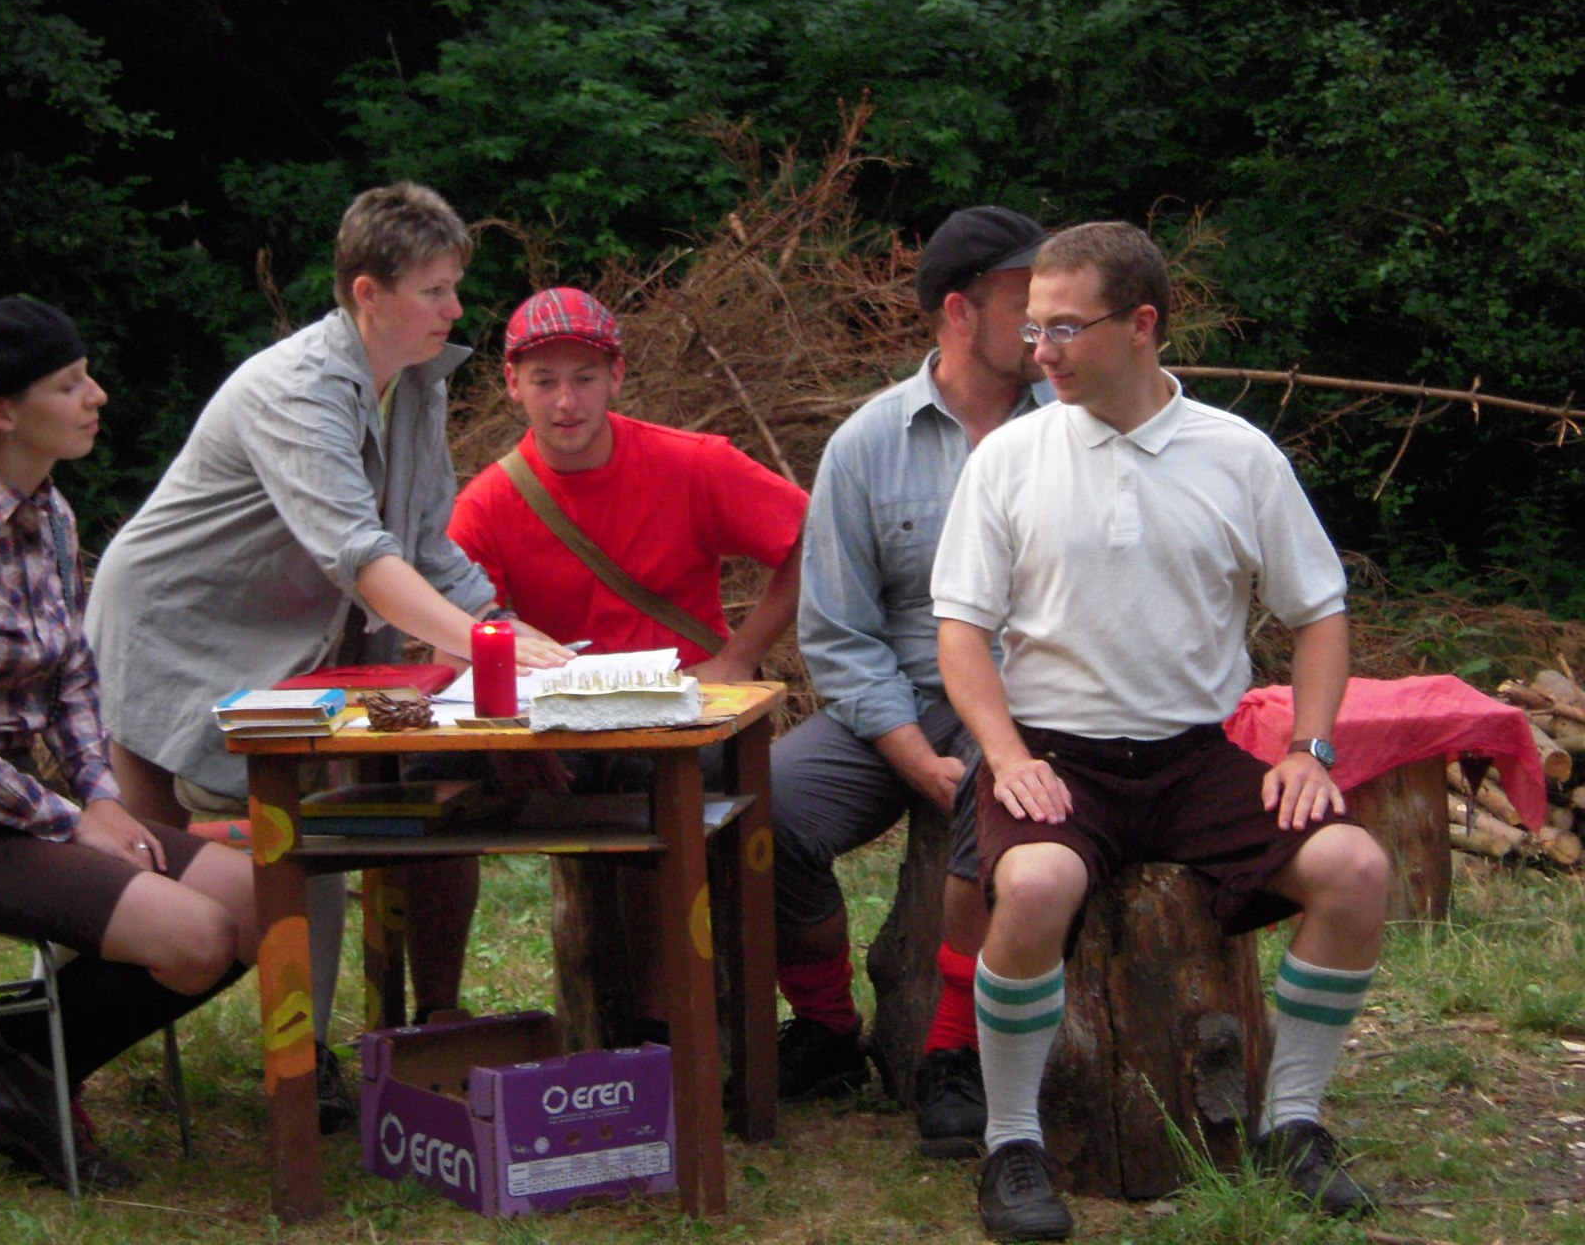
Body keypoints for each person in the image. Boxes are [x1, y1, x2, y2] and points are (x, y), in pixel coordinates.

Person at [931, 221, 1388, 1241]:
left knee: (1355, 870)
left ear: (1140, 324)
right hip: (1054, 755)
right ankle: (1011, 1144)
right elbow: (959, 630)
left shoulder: (1238, 456)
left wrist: (1308, 748)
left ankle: (1292, 1124)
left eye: (1064, 327)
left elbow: (1318, 613)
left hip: (1192, 760)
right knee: (1034, 885)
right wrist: (1005, 757)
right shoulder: (1010, 457)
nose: (1039, 351)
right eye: (1033, 327)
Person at [84, 183, 569, 1051]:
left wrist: (504, 627)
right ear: (368, 294)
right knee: (140, 861)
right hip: (168, 625)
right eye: (434, 290)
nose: (455, 309)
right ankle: (58, 1051)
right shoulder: (295, 388)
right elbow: (361, 557)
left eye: (455, 287)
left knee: (320, 836)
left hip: (285, 640)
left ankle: (340, 1053)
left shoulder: (417, 383)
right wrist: (484, 641)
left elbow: (423, 542)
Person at [0, 298, 259, 1190]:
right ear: (3, 411)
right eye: (69, 385)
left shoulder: (52, 516)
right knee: (198, 936)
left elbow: (74, 680)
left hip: (23, 813)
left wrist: (102, 796)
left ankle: (10, 1048)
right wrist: (69, 820)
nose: (96, 396)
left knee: (261, 900)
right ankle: (23, 1068)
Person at [442, 286, 809, 1034]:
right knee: (423, 788)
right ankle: (433, 1020)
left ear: (616, 376)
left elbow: (815, 539)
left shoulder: (694, 463)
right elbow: (457, 635)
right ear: (512, 385)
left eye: (584, 377)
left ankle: (666, 1031)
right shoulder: (487, 503)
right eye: (545, 380)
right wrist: (505, 743)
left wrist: (740, 656)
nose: (565, 401)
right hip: (554, 728)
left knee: (651, 784)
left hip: (686, 712)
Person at [769, 207, 1047, 1150]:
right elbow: (838, 633)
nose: (1045, 320)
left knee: (993, 786)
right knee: (771, 803)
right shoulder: (866, 443)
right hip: (898, 699)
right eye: (1024, 299)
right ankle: (826, 1029)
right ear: (961, 312)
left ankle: (949, 1053)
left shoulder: (1075, 431)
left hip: (1026, 701)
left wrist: (977, 749)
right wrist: (908, 751)